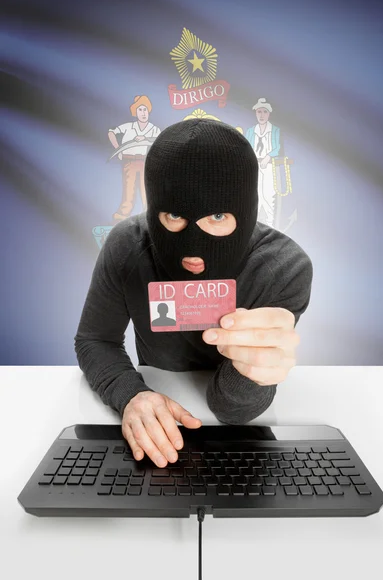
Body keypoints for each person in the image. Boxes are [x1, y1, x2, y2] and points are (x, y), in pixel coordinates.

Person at [74, 118, 313, 470]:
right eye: (173, 215)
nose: (192, 246)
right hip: (155, 424)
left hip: (240, 439)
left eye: (217, 215)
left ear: (246, 211)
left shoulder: (282, 267)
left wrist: (253, 370)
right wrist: (131, 395)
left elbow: (232, 411)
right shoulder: (127, 245)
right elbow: (95, 340)